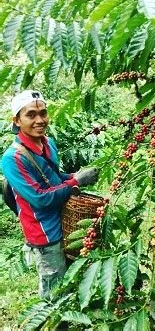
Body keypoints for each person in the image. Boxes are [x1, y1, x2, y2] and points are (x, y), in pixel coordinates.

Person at [2, 90, 98, 299]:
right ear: (17, 120)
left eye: (43, 113)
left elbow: (53, 177)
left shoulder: (48, 143)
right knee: (53, 290)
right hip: (44, 231)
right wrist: (76, 182)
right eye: (31, 115)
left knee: (70, 279)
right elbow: (40, 197)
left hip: (63, 220)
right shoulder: (12, 158)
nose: (39, 120)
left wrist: (73, 176)